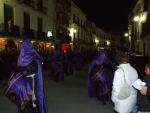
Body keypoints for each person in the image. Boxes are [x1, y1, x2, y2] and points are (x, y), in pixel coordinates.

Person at [4, 38, 48, 113]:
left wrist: (21, 70)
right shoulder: (23, 56)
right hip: (25, 86)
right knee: (23, 105)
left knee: (31, 105)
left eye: (23, 46)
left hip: (33, 85)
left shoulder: (34, 57)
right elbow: (18, 67)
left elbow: (28, 70)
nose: (21, 47)